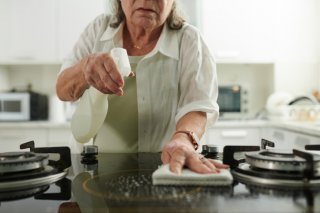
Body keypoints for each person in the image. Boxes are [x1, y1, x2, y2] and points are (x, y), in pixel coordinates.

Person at [56, 0, 228, 175]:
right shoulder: (98, 29)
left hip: (165, 169)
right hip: (95, 170)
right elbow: (63, 90)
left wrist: (183, 140)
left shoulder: (189, 39)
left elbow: (197, 106)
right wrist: (85, 68)